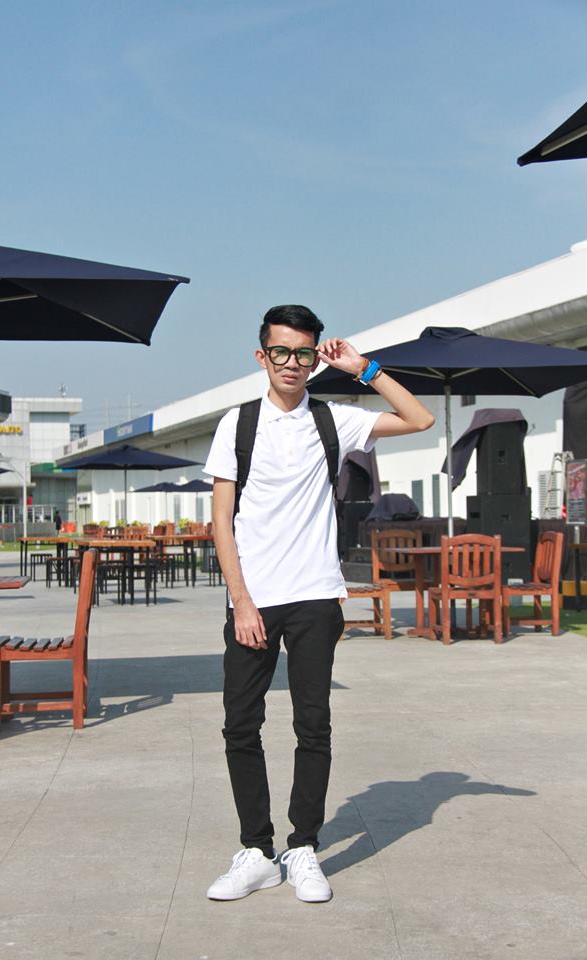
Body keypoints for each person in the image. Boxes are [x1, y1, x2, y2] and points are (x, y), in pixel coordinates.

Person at [203, 304, 434, 903]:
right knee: (240, 725)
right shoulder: (238, 425)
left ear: (313, 359)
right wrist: (241, 600)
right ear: (263, 356)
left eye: (303, 353)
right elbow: (221, 521)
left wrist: (364, 368)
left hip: (314, 596)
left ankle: (303, 846)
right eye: (280, 351)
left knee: (313, 725)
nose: (291, 362)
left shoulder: (334, 420)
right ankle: (257, 852)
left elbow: (420, 418)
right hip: (254, 600)